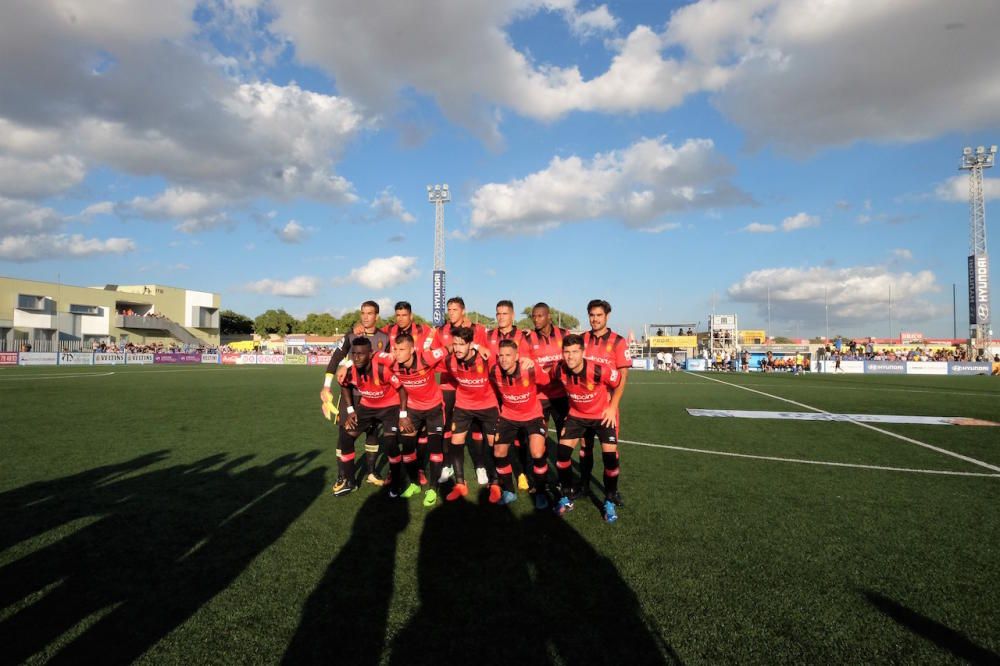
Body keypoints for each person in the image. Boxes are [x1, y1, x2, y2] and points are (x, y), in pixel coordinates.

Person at [551, 334, 624, 523]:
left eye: (575, 352)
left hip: (601, 416)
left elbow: (619, 383)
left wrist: (612, 406)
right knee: (562, 455)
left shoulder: (599, 370)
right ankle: (566, 497)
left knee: (609, 458)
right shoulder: (558, 369)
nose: (570, 356)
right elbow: (545, 376)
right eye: (566, 352)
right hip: (576, 417)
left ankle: (609, 500)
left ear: (583, 352)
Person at [331, 338, 415, 497]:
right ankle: (350, 481)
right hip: (368, 406)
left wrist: (403, 416)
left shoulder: (383, 369)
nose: (356, 358)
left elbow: (402, 391)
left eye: (361, 354)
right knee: (346, 435)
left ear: (370, 354)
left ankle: (396, 483)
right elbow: (345, 386)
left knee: (390, 442)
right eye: (354, 354)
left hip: (390, 407)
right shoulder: (351, 370)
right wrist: (350, 411)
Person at [322, 301, 391, 487]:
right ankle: (343, 475)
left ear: (377, 316)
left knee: (373, 433)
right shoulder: (351, 335)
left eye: (370, 313)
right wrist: (326, 386)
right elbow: (335, 359)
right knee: (344, 434)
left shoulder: (385, 338)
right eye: (363, 313)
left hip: (374, 396)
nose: (365, 317)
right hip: (350, 394)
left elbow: (389, 364)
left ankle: (371, 472)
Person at [373, 332, 448, 506]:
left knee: (435, 449)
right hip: (413, 409)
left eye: (402, 349)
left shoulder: (426, 358)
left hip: (435, 408)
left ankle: (433, 489)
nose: (397, 353)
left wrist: (475, 347)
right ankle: (414, 484)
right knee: (407, 450)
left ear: (412, 350)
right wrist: (345, 365)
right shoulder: (392, 360)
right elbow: (371, 354)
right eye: (395, 349)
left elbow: (450, 348)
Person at [431, 297, 490, 486]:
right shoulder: (440, 331)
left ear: (463, 311)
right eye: (449, 309)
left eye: (455, 309)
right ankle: (447, 465)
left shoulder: (478, 330)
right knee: (448, 427)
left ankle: (480, 466)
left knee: (476, 427)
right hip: (449, 385)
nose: (451, 313)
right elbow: (435, 357)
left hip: (473, 386)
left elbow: (484, 353)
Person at [490, 339, 552, 509]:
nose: (503, 359)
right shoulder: (494, 371)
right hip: (509, 416)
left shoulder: (529, 368)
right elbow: (495, 391)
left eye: (508, 355)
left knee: (537, 452)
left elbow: (546, 381)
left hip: (532, 415)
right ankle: (509, 491)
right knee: (499, 451)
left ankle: (540, 492)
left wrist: (536, 365)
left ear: (517, 356)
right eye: (501, 355)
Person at [579, 299, 630, 502]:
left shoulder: (618, 341)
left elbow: (622, 378)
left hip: (607, 409)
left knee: (610, 452)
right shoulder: (581, 339)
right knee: (585, 447)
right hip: (584, 407)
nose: (595, 319)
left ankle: (611, 491)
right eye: (592, 315)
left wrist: (613, 406)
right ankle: (584, 485)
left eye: (599, 315)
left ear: (607, 316)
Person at [441, 326, 498, 501]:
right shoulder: (450, 361)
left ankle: (495, 484)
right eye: (454, 344)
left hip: (487, 405)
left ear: (470, 345)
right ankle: (460, 484)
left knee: (493, 443)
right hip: (463, 405)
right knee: (456, 441)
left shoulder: (486, 358)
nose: (457, 348)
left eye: (461, 344)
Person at [487, 300, 533, 490]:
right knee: (497, 437)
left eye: (504, 313)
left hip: (518, 395)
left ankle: (523, 473)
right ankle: (496, 475)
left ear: (513, 316)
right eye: (498, 313)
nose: (500, 317)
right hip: (494, 391)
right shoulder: (488, 335)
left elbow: (530, 362)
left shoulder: (523, 336)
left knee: (521, 437)